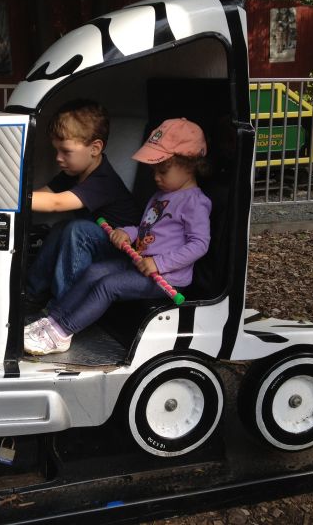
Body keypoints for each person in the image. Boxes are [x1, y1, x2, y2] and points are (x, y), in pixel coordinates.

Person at [24, 117, 212, 356]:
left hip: (166, 277)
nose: (156, 176)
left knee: (108, 286)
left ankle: (62, 333)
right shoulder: (161, 195)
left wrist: (159, 263)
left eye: (163, 170)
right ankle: (52, 320)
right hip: (139, 263)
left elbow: (199, 245)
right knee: (94, 272)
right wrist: (126, 232)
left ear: (190, 165)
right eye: (154, 170)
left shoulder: (195, 202)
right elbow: (147, 228)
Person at [25, 100, 141, 307]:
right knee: (61, 228)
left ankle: (64, 309)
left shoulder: (103, 181)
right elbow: (42, 195)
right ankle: (30, 294)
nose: (58, 158)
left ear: (95, 148)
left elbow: (55, 203)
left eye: (66, 151)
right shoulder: (72, 173)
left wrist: (9, 198)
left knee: (78, 230)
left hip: (122, 248)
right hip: (97, 243)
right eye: (56, 150)